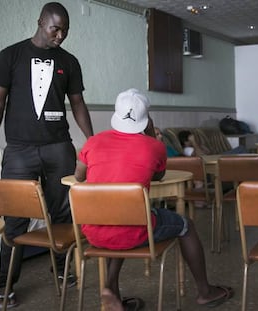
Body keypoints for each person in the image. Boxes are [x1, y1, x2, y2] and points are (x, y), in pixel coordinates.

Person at [75, 88, 233, 310]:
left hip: (92, 231)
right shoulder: (154, 147)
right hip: (133, 230)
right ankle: (205, 292)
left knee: (119, 217)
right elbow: (157, 175)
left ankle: (111, 288)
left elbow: (79, 176)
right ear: (146, 120)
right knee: (186, 225)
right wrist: (149, 135)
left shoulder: (93, 142)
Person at [0, 2, 94, 308]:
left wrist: (93, 141)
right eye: (55, 28)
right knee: (14, 219)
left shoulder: (69, 62)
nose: (60, 35)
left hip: (59, 148)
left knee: (61, 214)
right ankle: (4, 283)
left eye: (65, 31)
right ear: (40, 22)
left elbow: (78, 103)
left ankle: (60, 271)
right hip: (18, 151)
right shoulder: (11, 56)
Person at [179, 130, 247, 156]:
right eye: (191, 138)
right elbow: (202, 157)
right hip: (216, 159)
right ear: (186, 141)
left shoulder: (195, 147)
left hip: (215, 157)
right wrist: (194, 142)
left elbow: (209, 152)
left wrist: (199, 145)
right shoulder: (187, 149)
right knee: (241, 148)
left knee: (241, 148)